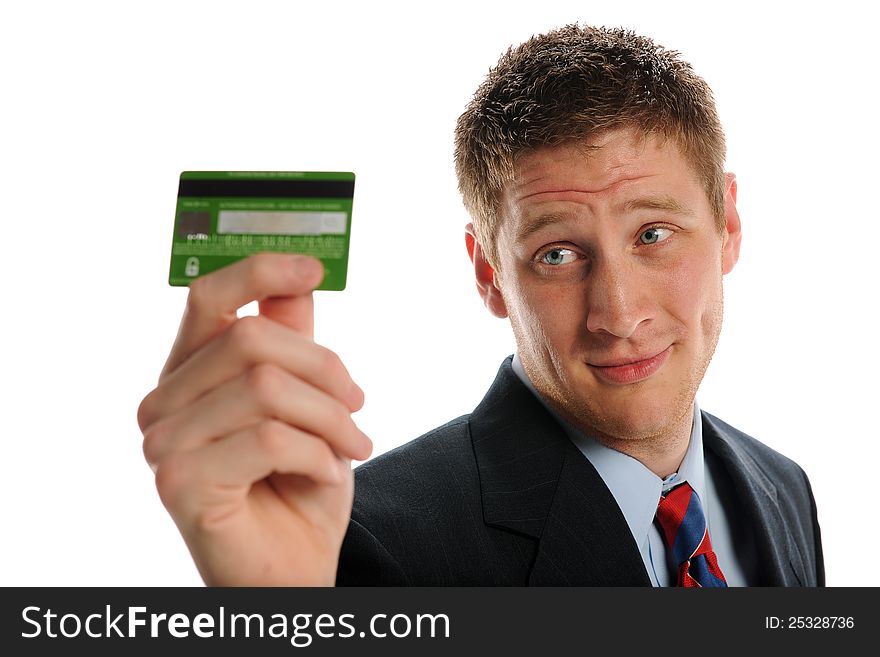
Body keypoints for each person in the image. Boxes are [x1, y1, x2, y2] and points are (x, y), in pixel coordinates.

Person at [138, 24, 823, 586]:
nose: (619, 313)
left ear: (728, 226)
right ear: (489, 272)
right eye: (557, 253)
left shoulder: (783, 489)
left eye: (653, 234)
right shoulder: (372, 544)